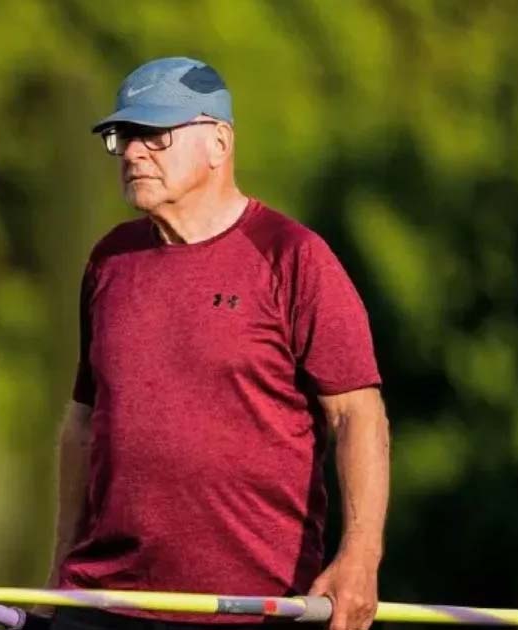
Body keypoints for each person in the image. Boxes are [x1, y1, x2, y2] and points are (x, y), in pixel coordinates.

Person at [42, 57, 390, 630]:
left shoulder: (292, 257)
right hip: (103, 599)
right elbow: (84, 422)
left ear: (218, 143)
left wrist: (359, 558)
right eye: (122, 137)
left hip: (255, 605)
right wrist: (59, 571)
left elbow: (357, 415)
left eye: (154, 135)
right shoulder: (110, 261)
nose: (131, 153)